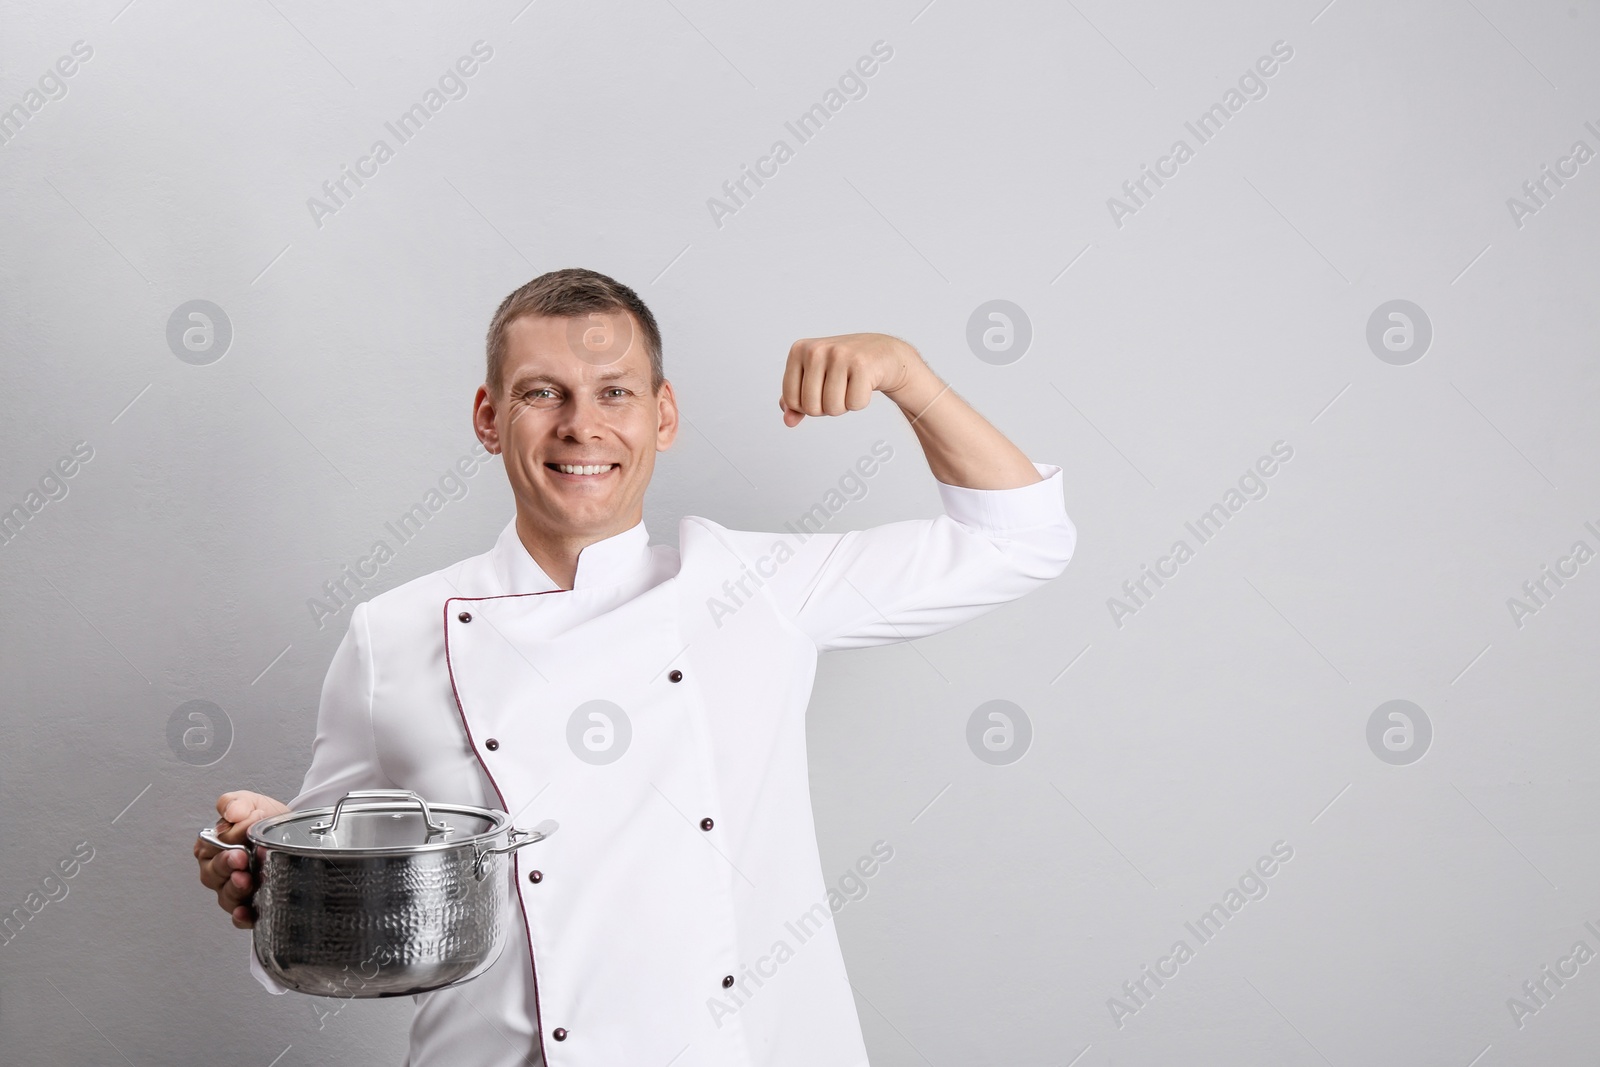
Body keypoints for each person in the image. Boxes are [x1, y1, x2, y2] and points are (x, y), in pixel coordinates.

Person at [194, 267, 1075, 1065]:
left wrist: (909, 378)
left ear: (663, 416)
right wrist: (271, 866)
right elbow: (334, 916)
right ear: (489, 417)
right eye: (544, 392)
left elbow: (1023, 541)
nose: (583, 425)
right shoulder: (392, 631)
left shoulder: (753, 587)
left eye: (614, 392)